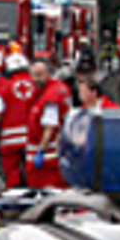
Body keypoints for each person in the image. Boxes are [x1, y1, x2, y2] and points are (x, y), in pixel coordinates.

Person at [0, 54, 36, 190]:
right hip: (32, 138)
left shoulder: (4, 87)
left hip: (10, 139)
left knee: (12, 173)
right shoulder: (37, 85)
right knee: (32, 173)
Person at [25, 61, 73, 190]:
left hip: (48, 157)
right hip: (57, 152)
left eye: (39, 75)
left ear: (47, 73)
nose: (35, 79)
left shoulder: (50, 96)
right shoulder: (58, 89)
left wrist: (40, 150)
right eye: (34, 75)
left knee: (46, 193)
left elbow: (50, 127)